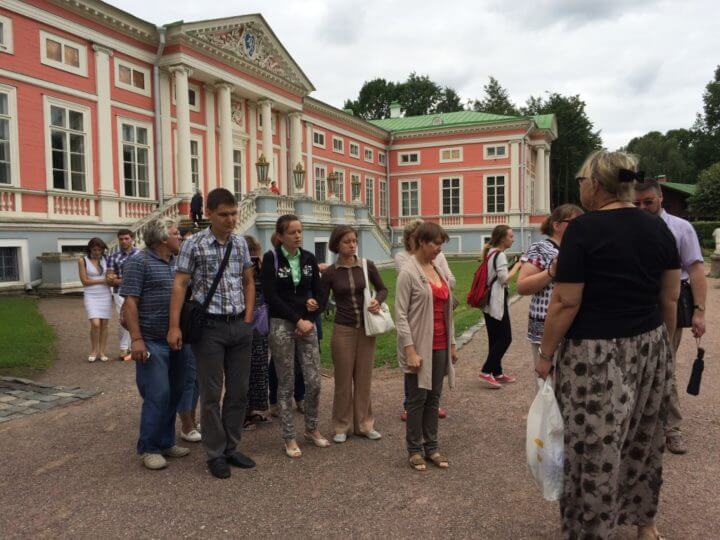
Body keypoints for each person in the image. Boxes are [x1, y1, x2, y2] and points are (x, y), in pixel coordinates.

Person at [537, 150, 680, 540]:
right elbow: (668, 300)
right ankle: (643, 522)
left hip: (594, 356)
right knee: (642, 439)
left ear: (597, 185)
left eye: (582, 180)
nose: (580, 186)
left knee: (593, 447)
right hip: (650, 345)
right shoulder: (658, 228)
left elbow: (566, 302)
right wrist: (664, 351)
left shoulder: (585, 230)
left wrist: (545, 355)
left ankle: (590, 529)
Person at [168, 187, 256, 479]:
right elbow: (180, 284)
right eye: (224, 215)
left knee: (239, 391)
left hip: (238, 326)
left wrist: (247, 317)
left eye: (234, 213)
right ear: (208, 214)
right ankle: (215, 453)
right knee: (211, 392)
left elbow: (248, 281)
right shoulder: (194, 244)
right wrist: (174, 326)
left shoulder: (240, 244)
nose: (231, 220)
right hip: (210, 328)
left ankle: (231, 447)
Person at [634, 179, 707, 455]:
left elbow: (697, 270)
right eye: (637, 203)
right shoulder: (630, 227)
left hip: (671, 302)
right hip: (638, 302)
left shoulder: (680, 228)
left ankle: (672, 428)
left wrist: (700, 312)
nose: (642, 208)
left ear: (660, 197)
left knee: (664, 363)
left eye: (648, 202)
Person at [120, 218, 190, 471]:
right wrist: (136, 340)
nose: (180, 237)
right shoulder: (139, 262)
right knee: (157, 393)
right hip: (151, 340)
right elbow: (129, 303)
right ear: (162, 239)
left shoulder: (178, 263)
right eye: (175, 234)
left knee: (175, 392)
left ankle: (165, 441)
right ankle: (148, 447)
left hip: (178, 340)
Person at [261, 214, 329, 458]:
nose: (298, 236)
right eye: (292, 232)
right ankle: (289, 436)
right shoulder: (271, 259)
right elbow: (271, 296)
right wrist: (296, 319)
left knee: (314, 381)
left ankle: (311, 428)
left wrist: (310, 315)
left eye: (300, 231)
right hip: (282, 324)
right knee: (286, 383)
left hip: (307, 324)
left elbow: (320, 293)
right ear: (280, 236)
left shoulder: (309, 258)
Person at [395, 222, 458, 471]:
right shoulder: (408, 272)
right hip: (419, 344)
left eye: (441, 244)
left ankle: (431, 447)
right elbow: (400, 315)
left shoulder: (436, 269)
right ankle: (414, 449)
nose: (439, 250)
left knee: (433, 398)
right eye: (435, 244)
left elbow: (446, 311)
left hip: (441, 343)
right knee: (416, 398)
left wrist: (452, 344)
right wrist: (409, 349)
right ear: (422, 242)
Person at [318, 225, 388, 443]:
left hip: (366, 329)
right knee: (343, 379)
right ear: (337, 244)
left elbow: (383, 288)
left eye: (354, 240)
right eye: (347, 241)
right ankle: (341, 425)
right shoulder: (330, 272)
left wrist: (378, 300)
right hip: (343, 330)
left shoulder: (367, 266)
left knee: (364, 378)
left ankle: (365, 425)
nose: (352, 244)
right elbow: (321, 302)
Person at [517, 205, 583, 385]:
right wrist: (551, 271)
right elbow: (522, 286)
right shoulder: (541, 248)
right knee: (548, 388)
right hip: (546, 328)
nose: (579, 226)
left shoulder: (579, 249)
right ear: (556, 225)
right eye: (574, 222)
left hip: (574, 327)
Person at [478, 225, 521, 388]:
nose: (513, 239)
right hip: (496, 300)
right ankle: (486, 370)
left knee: (495, 338)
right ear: (502, 238)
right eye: (510, 236)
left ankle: (497, 372)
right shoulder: (500, 254)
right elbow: (504, 279)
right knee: (505, 337)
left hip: (488, 301)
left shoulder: (491, 252)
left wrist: (511, 265)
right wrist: (517, 267)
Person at [243, 234, 271, 429]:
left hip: (260, 324)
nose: (254, 258)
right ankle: (242, 413)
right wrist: (246, 275)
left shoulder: (261, 270)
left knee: (259, 368)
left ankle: (256, 409)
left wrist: (262, 271)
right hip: (242, 321)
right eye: (251, 255)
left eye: (256, 255)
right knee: (242, 370)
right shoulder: (237, 270)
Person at [176, 228, 201, 443]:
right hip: (183, 325)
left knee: (198, 376)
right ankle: (186, 423)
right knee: (188, 376)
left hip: (197, 324)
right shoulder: (177, 267)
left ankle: (192, 418)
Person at [106, 229, 139, 361]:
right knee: (124, 318)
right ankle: (123, 347)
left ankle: (133, 346)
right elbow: (109, 279)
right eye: (121, 239)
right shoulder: (113, 257)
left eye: (126, 238)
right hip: (119, 291)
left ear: (132, 239)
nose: (124, 241)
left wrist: (118, 279)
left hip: (137, 291)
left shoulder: (141, 255)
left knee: (136, 317)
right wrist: (122, 280)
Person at [78, 237, 113, 363]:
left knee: (104, 324)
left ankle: (102, 351)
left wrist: (111, 277)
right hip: (91, 295)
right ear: (90, 249)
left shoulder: (107, 259)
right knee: (95, 324)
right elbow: (85, 281)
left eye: (99, 249)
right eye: (94, 249)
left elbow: (110, 276)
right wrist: (104, 280)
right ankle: (94, 350)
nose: (97, 252)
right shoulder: (83, 261)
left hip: (105, 294)